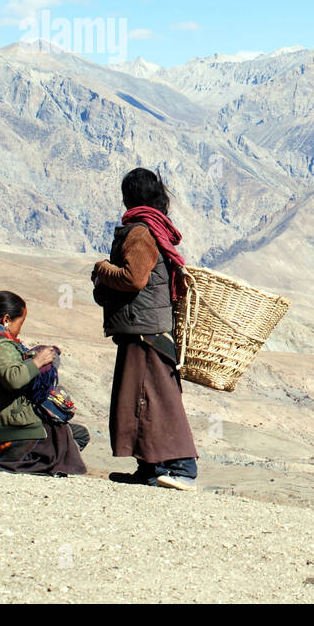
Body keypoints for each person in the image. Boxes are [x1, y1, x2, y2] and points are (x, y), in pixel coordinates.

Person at [92, 167, 198, 491]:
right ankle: (150, 467)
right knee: (140, 399)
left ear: (129, 196)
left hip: (145, 331)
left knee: (156, 399)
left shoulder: (140, 231)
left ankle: (182, 467)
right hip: (143, 327)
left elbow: (133, 278)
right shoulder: (152, 227)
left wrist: (101, 269)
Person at [0, 290, 88, 475]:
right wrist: (38, 361)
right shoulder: (2, 345)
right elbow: (13, 379)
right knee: (69, 434)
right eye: (21, 322)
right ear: (6, 320)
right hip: (3, 432)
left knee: (67, 435)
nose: (20, 329)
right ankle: (41, 462)